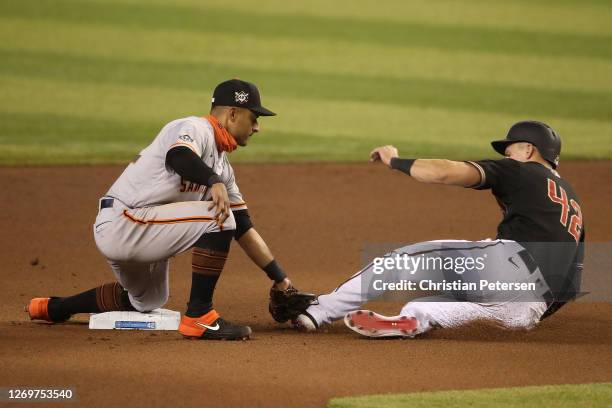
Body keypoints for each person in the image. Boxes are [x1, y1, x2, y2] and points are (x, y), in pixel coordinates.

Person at [26, 79, 300, 340]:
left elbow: (243, 228)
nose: (257, 127)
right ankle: (199, 316)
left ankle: (54, 308)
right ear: (232, 114)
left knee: (147, 300)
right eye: (254, 118)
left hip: (141, 228)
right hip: (123, 220)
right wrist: (212, 182)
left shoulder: (223, 167)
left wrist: (281, 280)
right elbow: (178, 156)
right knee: (219, 216)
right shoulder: (195, 128)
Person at [294, 121, 585, 338]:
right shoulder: (573, 204)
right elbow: (570, 287)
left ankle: (317, 311)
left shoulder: (521, 169)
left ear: (528, 149)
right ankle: (413, 320)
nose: (506, 156)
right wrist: (527, 312)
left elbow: (444, 171)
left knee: (398, 263)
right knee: (434, 306)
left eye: (509, 150)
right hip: (529, 309)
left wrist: (395, 161)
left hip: (505, 266)